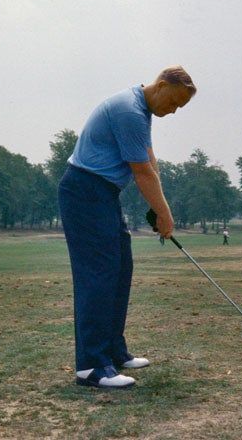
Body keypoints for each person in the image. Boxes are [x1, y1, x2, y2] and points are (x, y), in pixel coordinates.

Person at [58, 66, 196, 388]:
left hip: (103, 193)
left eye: (180, 107)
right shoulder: (129, 110)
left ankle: (113, 352)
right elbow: (141, 173)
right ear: (161, 86)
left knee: (121, 269)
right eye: (174, 102)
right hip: (85, 191)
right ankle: (91, 366)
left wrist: (160, 208)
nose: (173, 111)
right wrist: (164, 215)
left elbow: (150, 161)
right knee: (99, 274)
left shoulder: (142, 111)